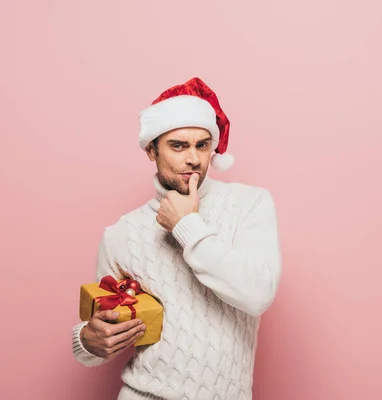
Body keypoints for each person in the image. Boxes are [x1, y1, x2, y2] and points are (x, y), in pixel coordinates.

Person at [71, 77, 282, 400]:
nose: (194, 159)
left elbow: (257, 294)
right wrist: (87, 340)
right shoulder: (121, 234)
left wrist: (187, 225)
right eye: (178, 146)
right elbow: (103, 329)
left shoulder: (248, 205)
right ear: (151, 151)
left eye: (202, 145)